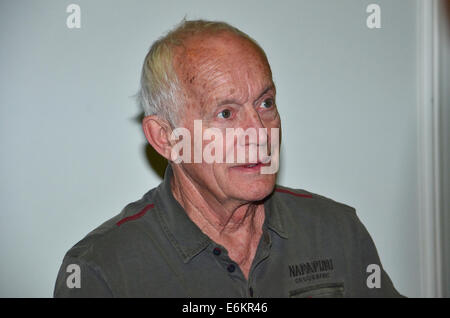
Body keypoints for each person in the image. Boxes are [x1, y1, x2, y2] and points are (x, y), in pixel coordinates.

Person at [54, 19, 403, 297]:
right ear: (166, 138)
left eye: (266, 104)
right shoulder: (104, 270)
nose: (261, 133)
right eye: (226, 113)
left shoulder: (335, 231)